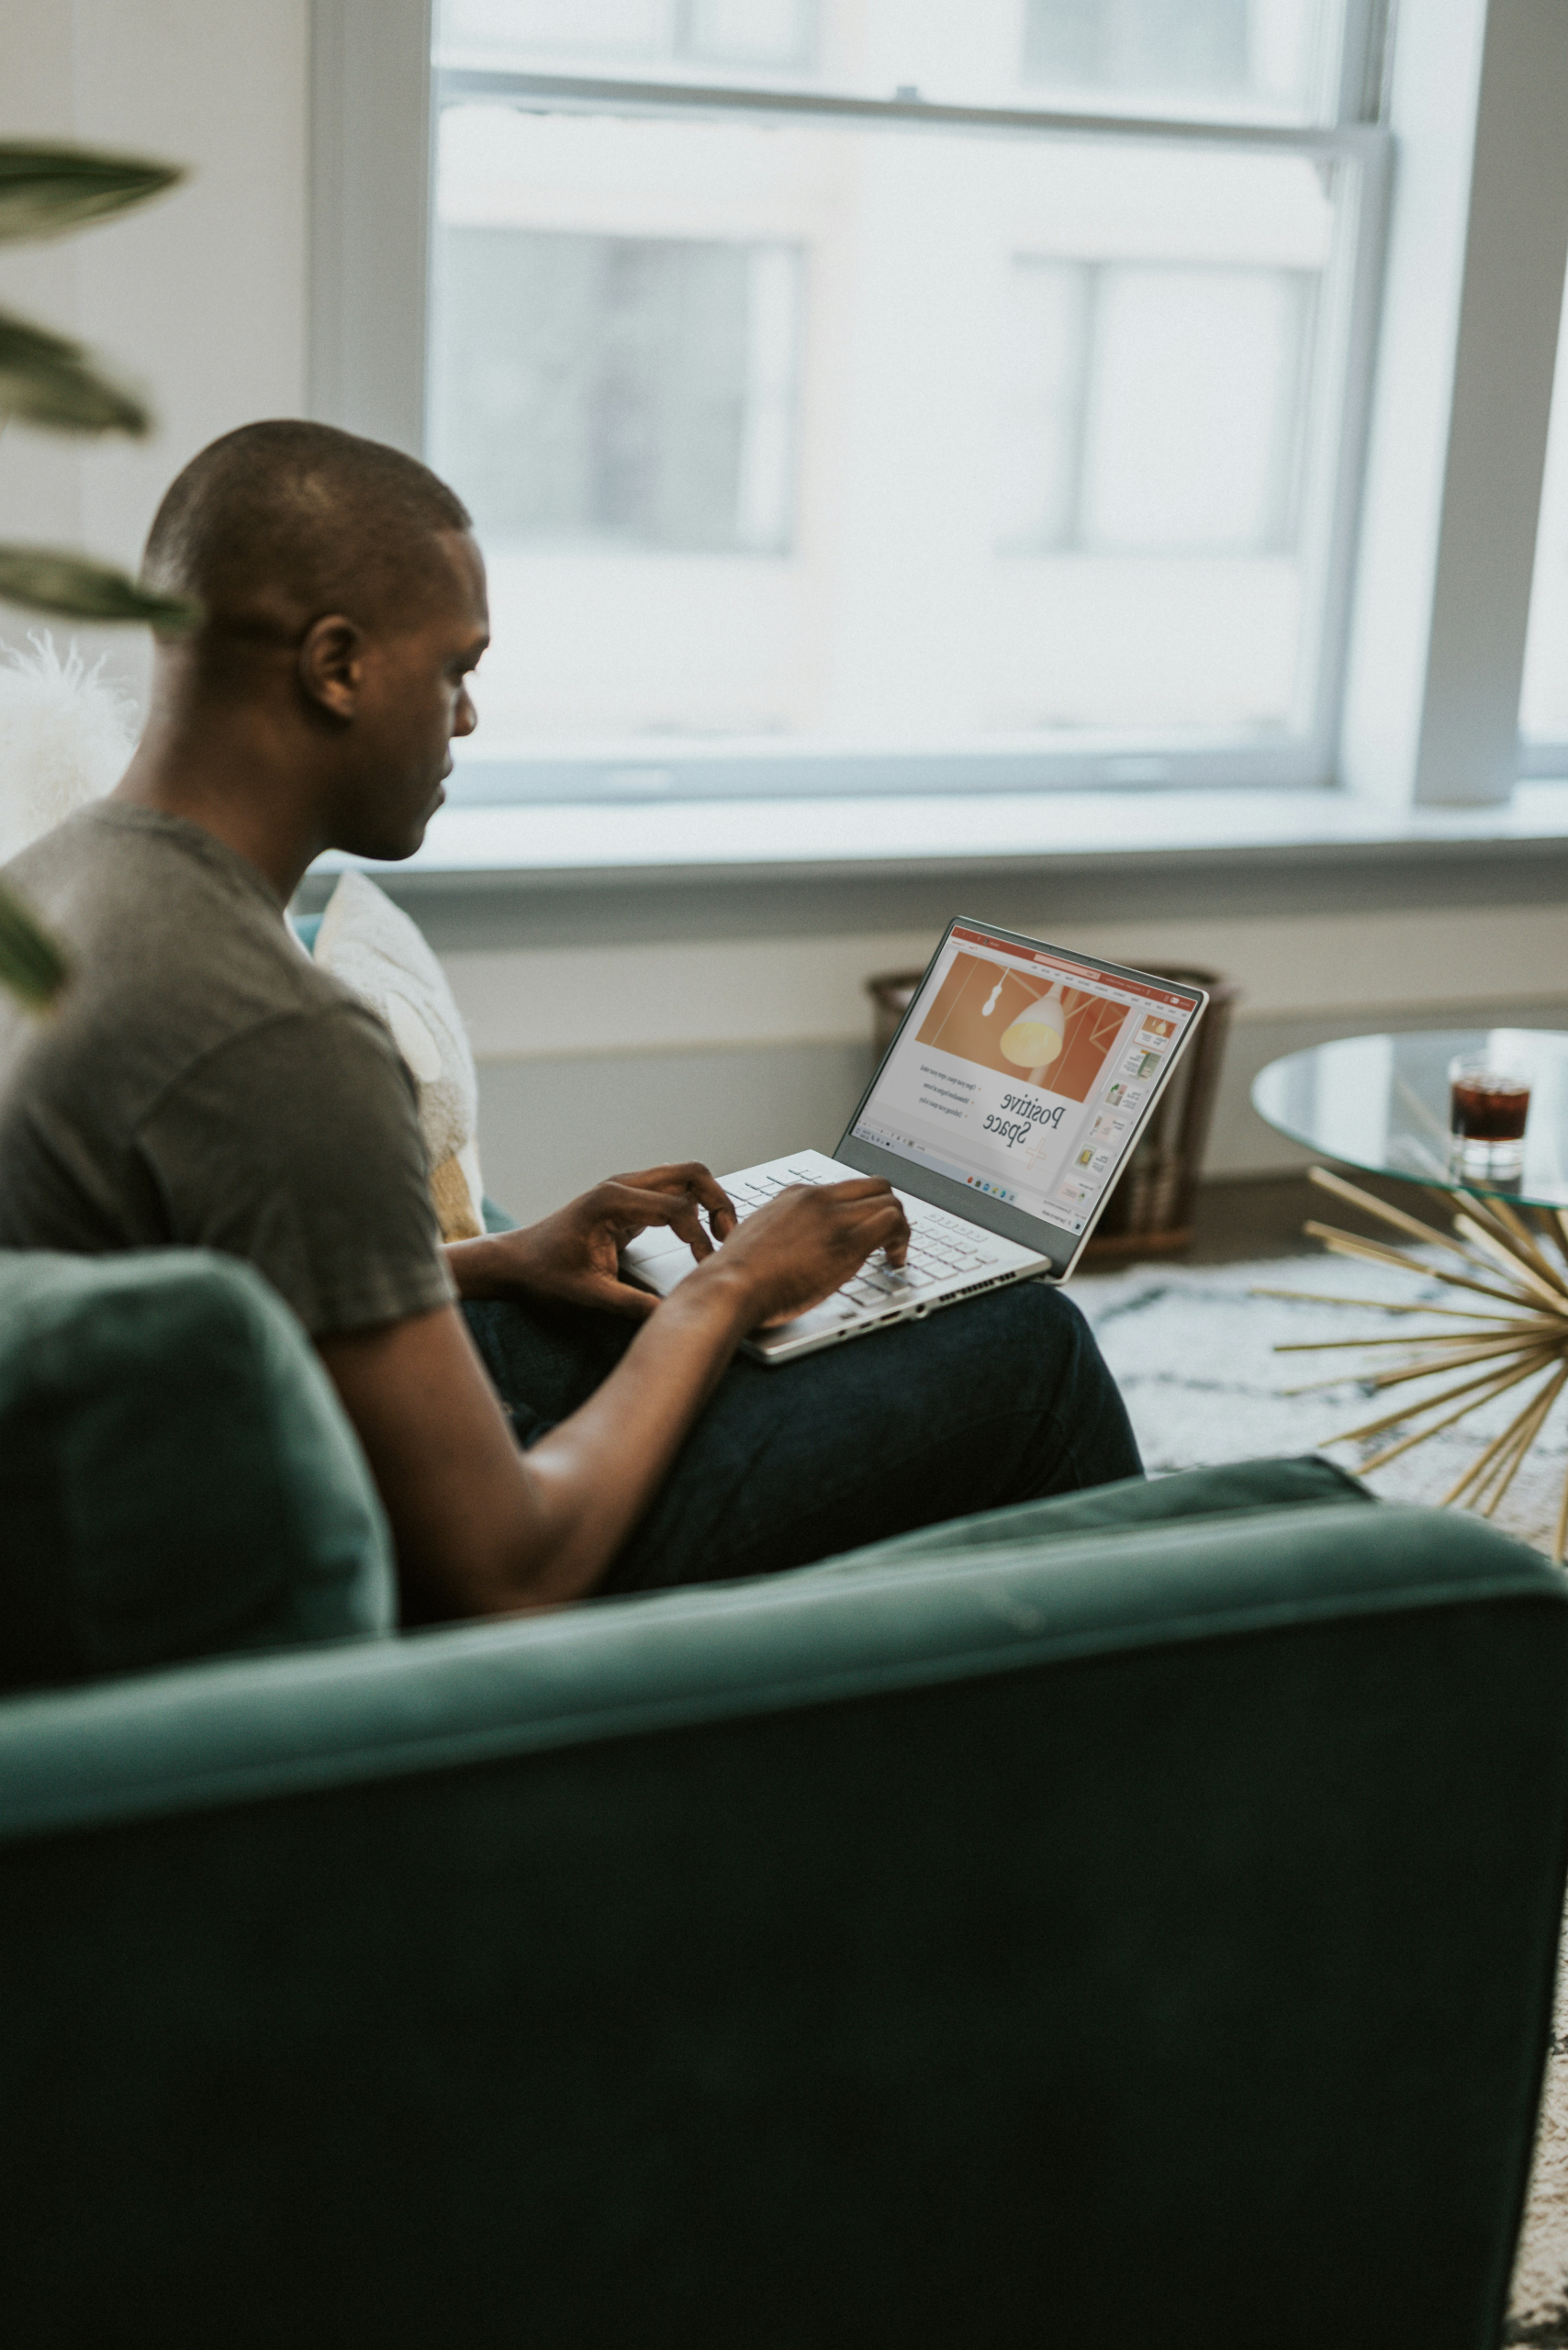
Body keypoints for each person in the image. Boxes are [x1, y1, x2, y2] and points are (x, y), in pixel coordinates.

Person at [0, 420, 1140, 1624]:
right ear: (336, 667)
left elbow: (171, 1289)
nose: (470, 718)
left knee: (684, 1317)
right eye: (455, 669)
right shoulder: (273, 1034)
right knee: (1028, 1360)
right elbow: (509, 1577)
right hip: (404, 1608)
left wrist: (501, 1258)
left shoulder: (56, 882)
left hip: (245, 1454)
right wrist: (728, 1290)